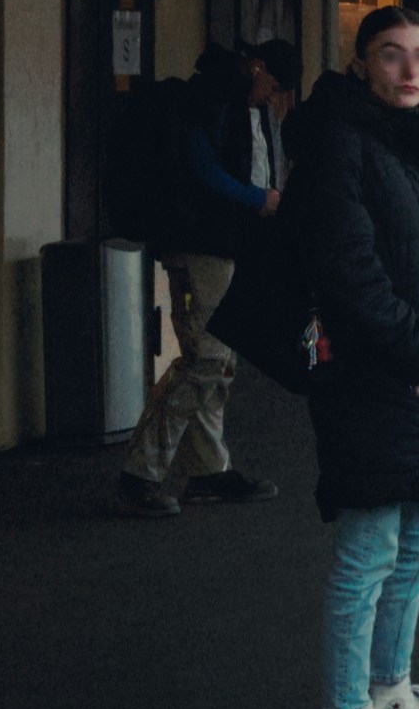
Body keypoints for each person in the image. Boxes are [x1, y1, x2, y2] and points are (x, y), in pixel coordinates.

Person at [285, 7, 419, 709]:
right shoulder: (341, 144)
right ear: (360, 61)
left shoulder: (389, 140)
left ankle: (387, 688)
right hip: (368, 375)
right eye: (392, 55)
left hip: (406, 368)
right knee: (369, 549)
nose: (410, 70)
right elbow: (351, 277)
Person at [117, 38, 299, 518]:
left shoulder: (224, 96)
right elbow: (201, 169)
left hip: (213, 242)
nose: (270, 97)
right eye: (273, 85)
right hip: (200, 242)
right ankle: (142, 471)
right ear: (256, 67)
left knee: (216, 360)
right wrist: (254, 199)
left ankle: (207, 469)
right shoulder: (210, 98)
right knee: (208, 360)